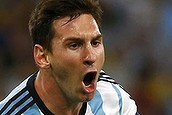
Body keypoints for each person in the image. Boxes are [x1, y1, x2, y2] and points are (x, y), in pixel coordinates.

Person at [0, 0, 139, 114]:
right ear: (42, 57)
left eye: (95, 43)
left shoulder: (115, 100)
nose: (90, 56)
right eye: (74, 45)